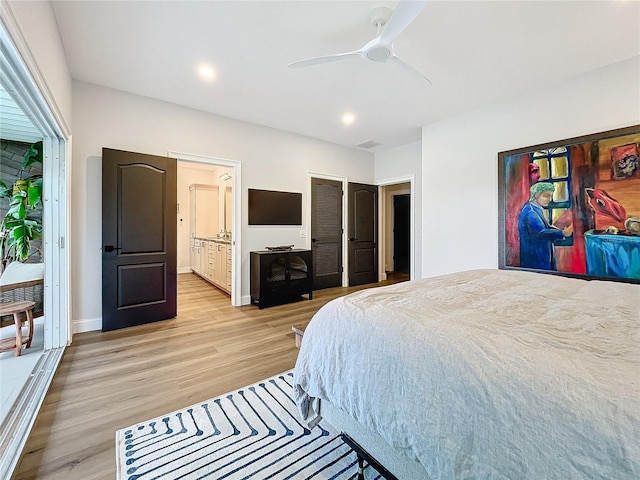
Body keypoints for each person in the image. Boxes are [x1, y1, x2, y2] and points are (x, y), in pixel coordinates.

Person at [518, 182, 572, 270]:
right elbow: (540, 232)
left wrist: (558, 230)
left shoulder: (536, 208)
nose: (549, 199)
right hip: (535, 256)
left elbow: (545, 227)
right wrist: (562, 233)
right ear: (536, 195)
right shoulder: (531, 212)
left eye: (550, 196)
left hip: (541, 254)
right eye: (546, 196)